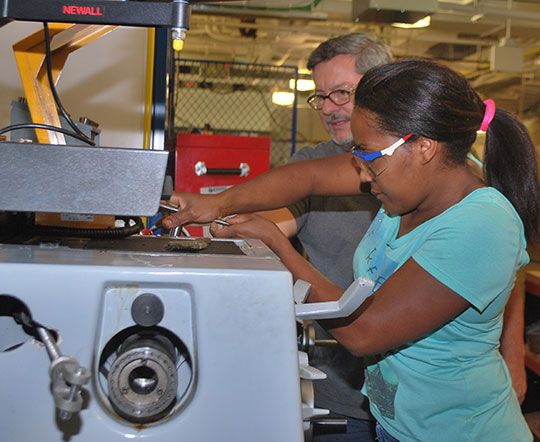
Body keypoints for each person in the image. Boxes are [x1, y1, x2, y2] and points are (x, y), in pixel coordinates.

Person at [162, 58, 538, 441]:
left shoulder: (480, 224)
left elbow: (364, 330)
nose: (360, 171)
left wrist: (279, 247)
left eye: (369, 157)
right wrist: (219, 203)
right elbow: (308, 176)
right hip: (397, 426)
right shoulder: (402, 193)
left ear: (423, 146)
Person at [259, 33, 391, 441]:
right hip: (342, 398)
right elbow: (266, 226)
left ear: (382, 88)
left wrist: (511, 353)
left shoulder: (420, 166)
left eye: (342, 93)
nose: (329, 109)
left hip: (422, 399)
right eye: (320, 97)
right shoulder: (308, 167)